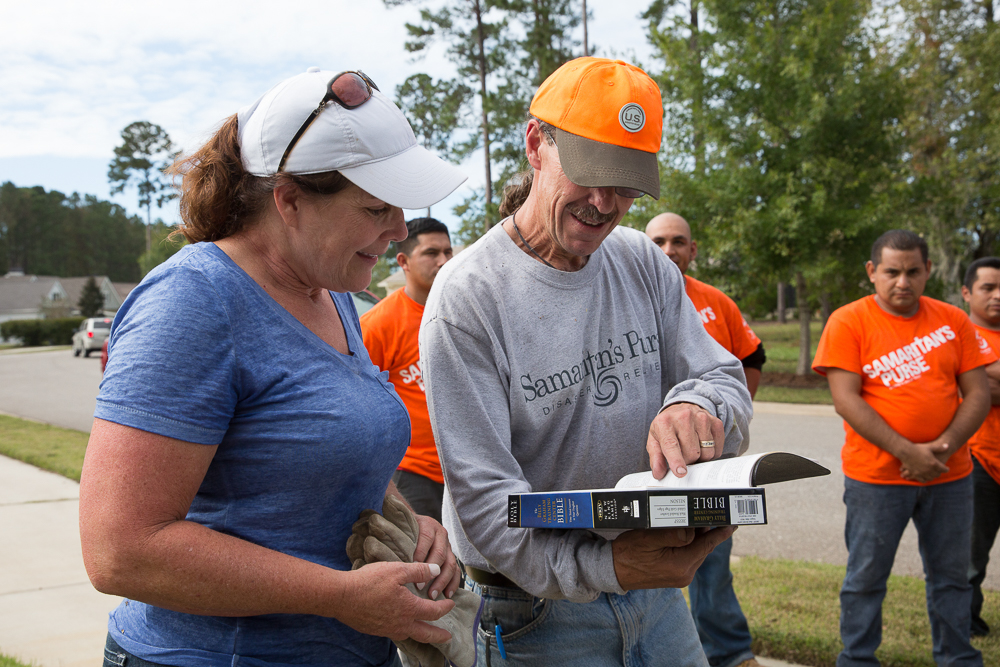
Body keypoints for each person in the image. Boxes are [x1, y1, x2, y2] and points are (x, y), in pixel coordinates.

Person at [78, 67, 468, 667]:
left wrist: (409, 521)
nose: (398, 231)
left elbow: (313, 454)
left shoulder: (331, 290)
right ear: (289, 201)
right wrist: (339, 596)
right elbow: (120, 551)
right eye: (376, 209)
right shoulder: (194, 301)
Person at [420, 57, 753, 667]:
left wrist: (696, 404)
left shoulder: (641, 261)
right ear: (535, 145)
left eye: (624, 184)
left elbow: (722, 377)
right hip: (534, 614)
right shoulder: (468, 298)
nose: (603, 202)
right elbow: (488, 504)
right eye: (589, 173)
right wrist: (610, 566)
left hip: (654, 595)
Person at [812, 229, 995, 667]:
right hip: (876, 478)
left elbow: (978, 394)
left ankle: (957, 659)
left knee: (951, 579)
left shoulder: (953, 320)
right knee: (865, 579)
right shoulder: (848, 321)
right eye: (892, 271)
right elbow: (846, 400)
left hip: (951, 476)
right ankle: (857, 659)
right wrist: (907, 452)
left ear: (928, 270)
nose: (903, 282)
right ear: (872, 271)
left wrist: (943, 449)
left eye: (913, 271)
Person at [646, 212, 765, 667]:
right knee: (649, 556)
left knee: (711, 556)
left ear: (693, 250)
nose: (669, 250)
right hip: (652, 462)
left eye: (678, 241)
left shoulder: (716, 302)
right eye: (659, 241)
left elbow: (752, 357)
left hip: (711, 462)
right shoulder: (633, 296)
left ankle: (730, 652)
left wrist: (728, 417)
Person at [361, 217, 454, 522]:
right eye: (431, 253)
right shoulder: (377, 325)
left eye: (448, 252)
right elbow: (363, 407)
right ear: (403, 261)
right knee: (429, 549)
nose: (443, 261)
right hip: (413, 472)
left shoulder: (463, 311)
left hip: (465, 465)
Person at [961, 257, 1000, 637]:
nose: (997, 295)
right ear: (967, 293)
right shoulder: (960, 334)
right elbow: (976, 391)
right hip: (980, 460)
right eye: (988, 288)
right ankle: (967, 621)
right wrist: (980, 384)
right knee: (972, 555)